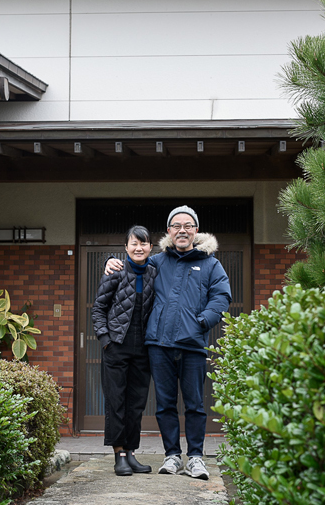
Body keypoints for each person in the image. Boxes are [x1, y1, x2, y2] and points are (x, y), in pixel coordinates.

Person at [105, 205, 231, 480]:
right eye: (176, 225)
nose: (182, 230)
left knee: (195, 405)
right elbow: (133, 263)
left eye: (188, 225)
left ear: (196, 230)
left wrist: (202, 322)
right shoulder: (158, 261)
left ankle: (196, 457)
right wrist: (110, 262)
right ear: (169, 231)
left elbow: (221, 298)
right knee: (165, 405)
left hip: (193, 345)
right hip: (159, 345)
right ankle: (172, 455)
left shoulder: (211, 264)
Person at [91, 225, 157, 476]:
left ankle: (131, 453)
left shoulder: (154, 272)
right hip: (116, 347)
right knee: (116, 402)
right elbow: (98, 309)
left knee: (136, 403)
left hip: (143, 349)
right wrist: (105, 339)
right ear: (126, 248)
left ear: (151, 247)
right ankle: (118, 454)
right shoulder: (116, 271)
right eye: (134, 244)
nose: (139, 248)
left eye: (143, 243)